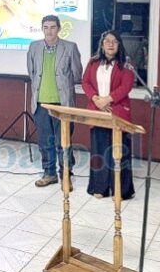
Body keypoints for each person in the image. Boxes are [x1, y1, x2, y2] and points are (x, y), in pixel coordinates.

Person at [27, 15, 83, 190]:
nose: (49, 31)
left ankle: (66, 175)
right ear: (42, 29)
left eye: (53, 27)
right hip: (41, 104)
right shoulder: (34, 47)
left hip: (63, 104)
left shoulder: (70, 47)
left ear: (59, 29)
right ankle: (49, 173)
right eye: (46, 27)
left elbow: (77, 74)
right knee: (45, 142)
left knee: (63, 142)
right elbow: (32, 72)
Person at [82, 30, 135, 199]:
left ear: (119, 45)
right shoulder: (93, 61)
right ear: (102, 44)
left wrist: (108, 100)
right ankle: (100, 188)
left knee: (119, 152)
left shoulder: (125, 63)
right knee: (99, 151)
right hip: (97, 110)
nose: (110, 44)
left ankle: (122, 190)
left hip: (117, 111)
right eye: (107, 41)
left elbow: (126, 86)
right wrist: (96, 99)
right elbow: (86, 82)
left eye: (114, 41)